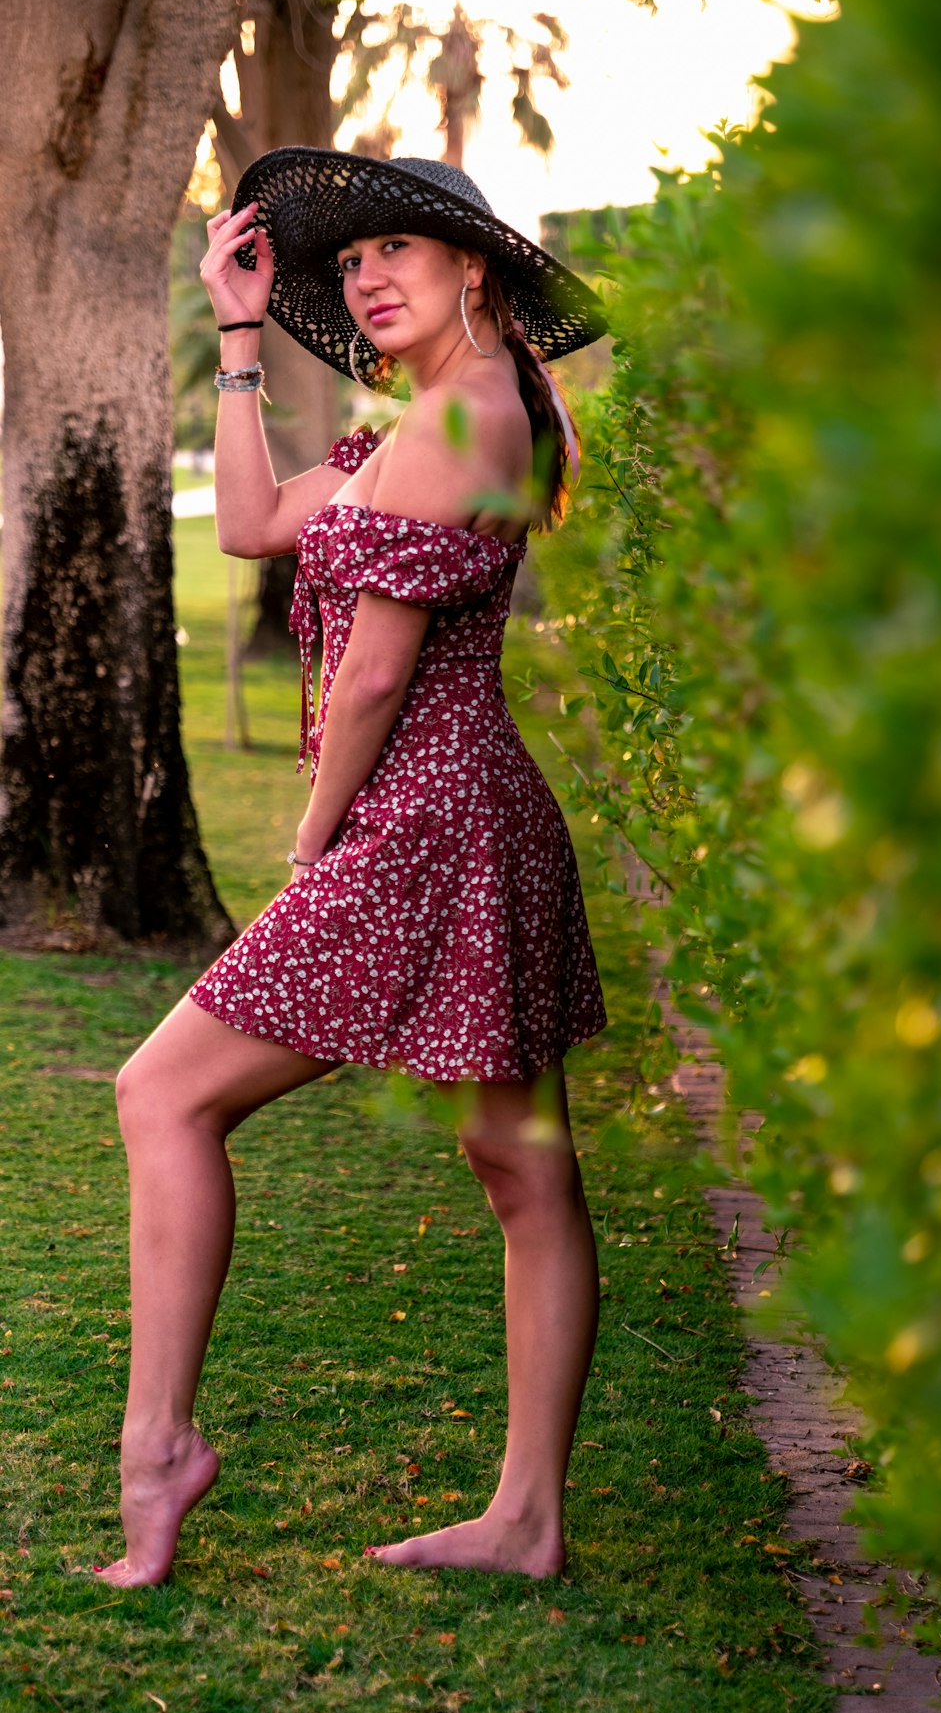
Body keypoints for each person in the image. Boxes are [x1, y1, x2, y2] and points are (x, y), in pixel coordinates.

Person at [95, 150, 609, 1589]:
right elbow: (256, 524)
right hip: (471, 812)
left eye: (402, 249)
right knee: (522, 1162)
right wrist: (241, 341)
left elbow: (378, 668)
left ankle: (158, 1443)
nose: (371, 276)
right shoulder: (448, 414)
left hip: (419, 817)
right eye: (355, 259)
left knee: (162, 1090)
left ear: (474, 269)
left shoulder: (459, 416)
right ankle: (526, 1515)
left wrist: (314, 836)